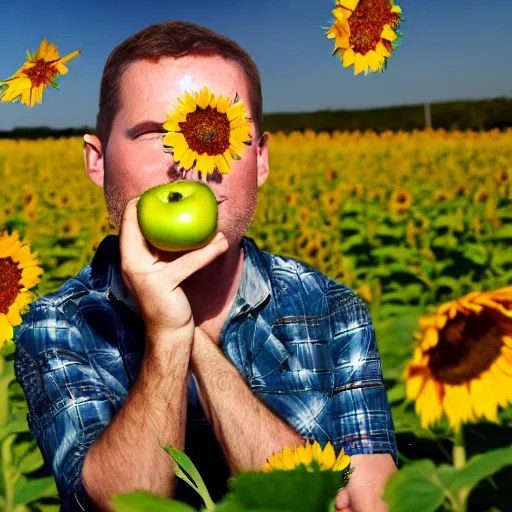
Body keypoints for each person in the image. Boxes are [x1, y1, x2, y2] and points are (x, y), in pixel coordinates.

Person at [13, 20, 397, 512]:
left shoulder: (332, 310)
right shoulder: (61, 323)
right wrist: (168, 335)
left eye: (218, 130)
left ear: (260, 158)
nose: (190, 158)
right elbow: (121, 504)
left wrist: (190, 335)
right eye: (155, 133)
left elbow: (370, 504)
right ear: (97, 161)